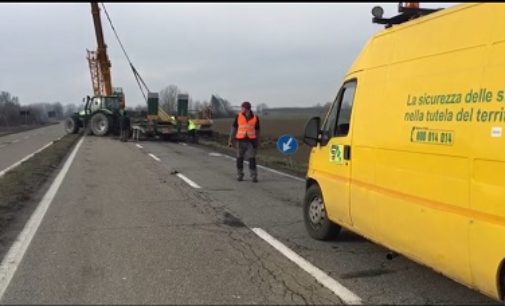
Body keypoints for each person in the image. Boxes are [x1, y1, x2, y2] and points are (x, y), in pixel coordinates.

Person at [228, 101, 260, 182]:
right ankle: (240, 174)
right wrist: (231, 139)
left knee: (252, 158)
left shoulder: (255, 118)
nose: (241, 109)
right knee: (239, 158)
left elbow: (257, 130)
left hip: (251, 141)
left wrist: (257, 141)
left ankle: (253, 176)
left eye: (242, 108)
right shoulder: (238, 116)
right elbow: (234, 128)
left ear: (247, 109)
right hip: (240, 140)